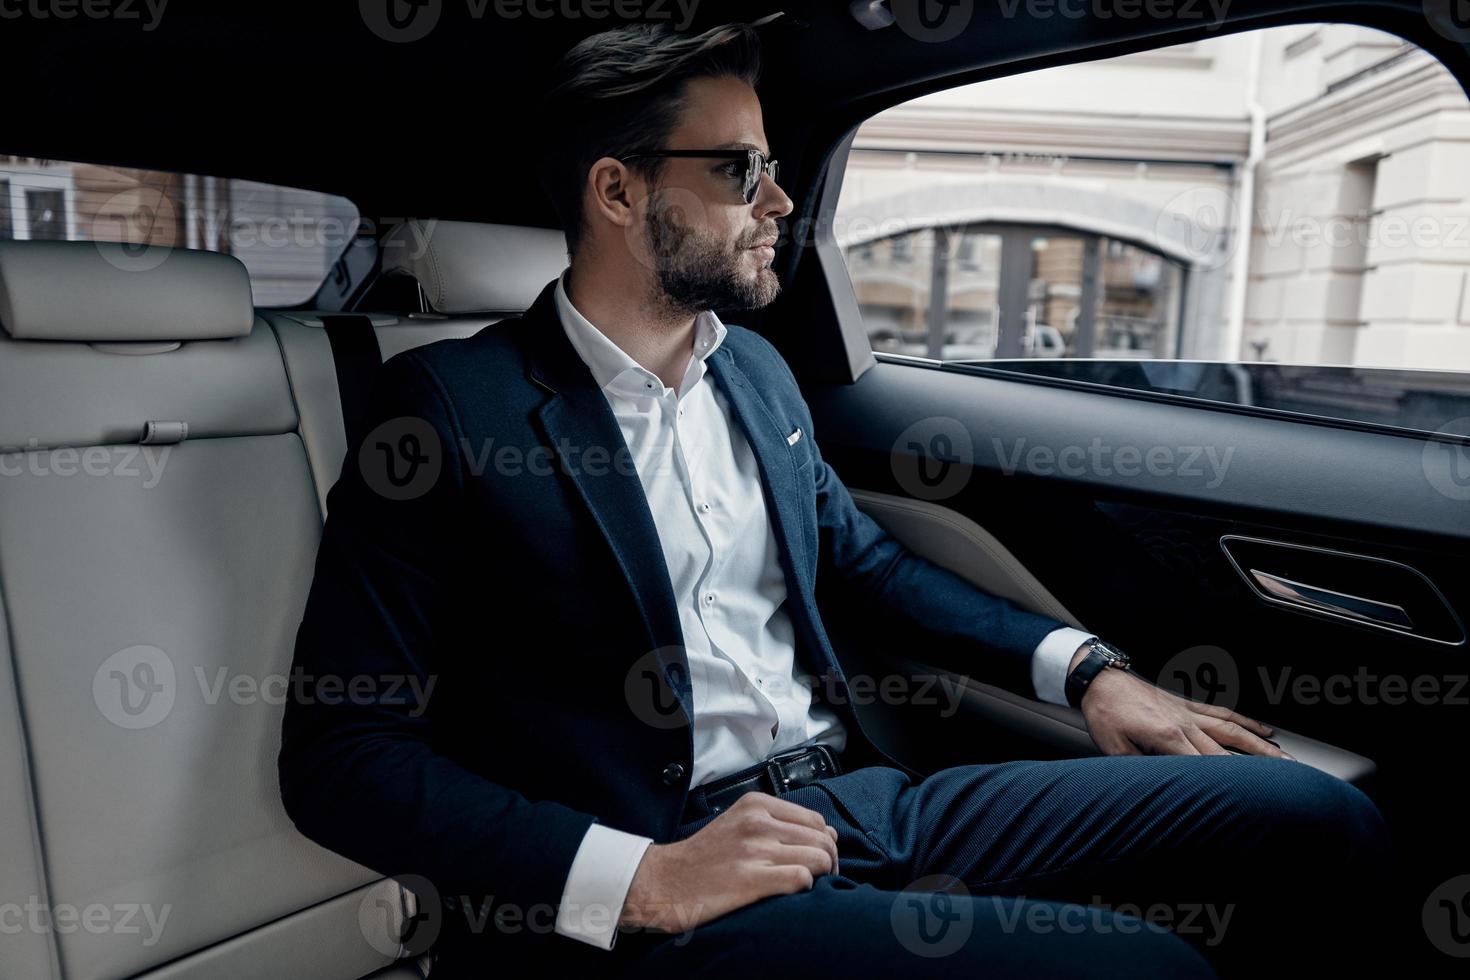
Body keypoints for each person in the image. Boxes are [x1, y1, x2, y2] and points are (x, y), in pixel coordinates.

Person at [279, 21, 1396, 979]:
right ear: (618, 192)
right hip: (673, 855)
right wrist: (644, 878)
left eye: (770, 164)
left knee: (1314, 818)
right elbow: (343, 751)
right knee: (1145, 967)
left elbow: (866, 564)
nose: (779, 198)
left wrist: (1092, 673)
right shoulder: (448, 408)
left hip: (857, 800)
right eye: (736, 170)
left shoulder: (756, 373)